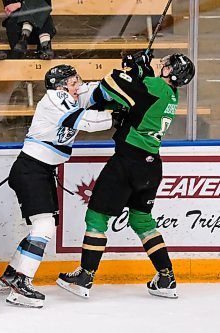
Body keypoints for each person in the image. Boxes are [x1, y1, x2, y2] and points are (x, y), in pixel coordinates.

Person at [57, 52, 195, 299]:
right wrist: (140, 72)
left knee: (96, 216)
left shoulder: (153, 87)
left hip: (127, 161)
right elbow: (138, 99)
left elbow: (111, 81)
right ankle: (166, 276)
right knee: (142, 222)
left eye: (165, 64)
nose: (161, 64)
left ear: (168, 72)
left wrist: (133, 68)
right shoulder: (171, 95)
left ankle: (85, 276)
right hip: (151, 166)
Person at [0, 65, 115, 308]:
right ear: (60, 87)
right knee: (45, 225)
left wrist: (125, 79)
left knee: (44, 225)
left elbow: (100, 92)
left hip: (41, 170)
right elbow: (86, 122)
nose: (78, 84)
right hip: (31, 170)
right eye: (73, 82)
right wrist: (119, 115)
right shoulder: (54, 98)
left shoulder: (70, 94)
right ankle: (21, 282)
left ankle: (11, 275)